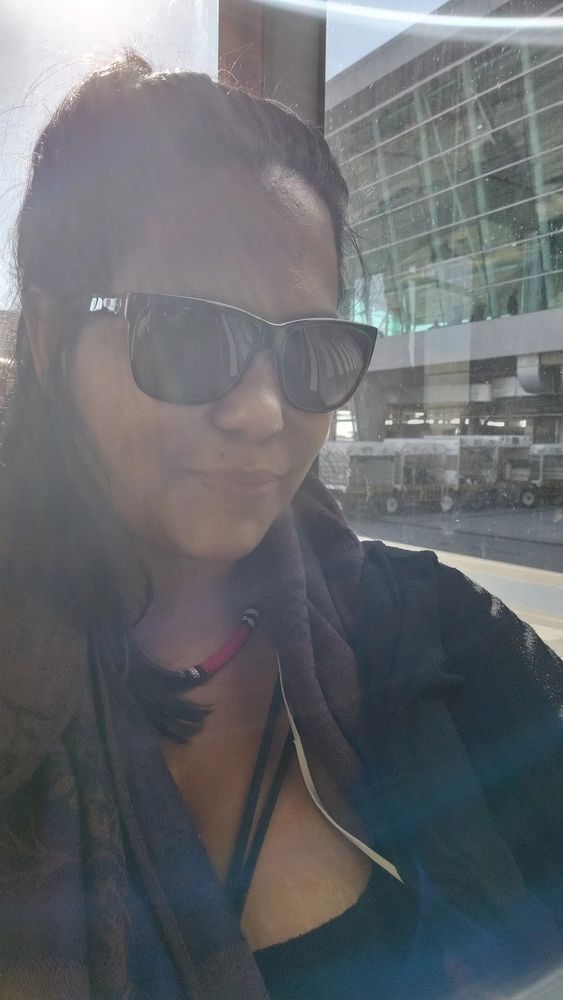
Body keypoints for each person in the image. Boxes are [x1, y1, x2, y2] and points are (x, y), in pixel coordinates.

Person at [2, 53, 563, 1000]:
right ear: (54, 344)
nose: (263, 412)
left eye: (311, 349)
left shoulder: (429, 634)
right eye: (186, 334)